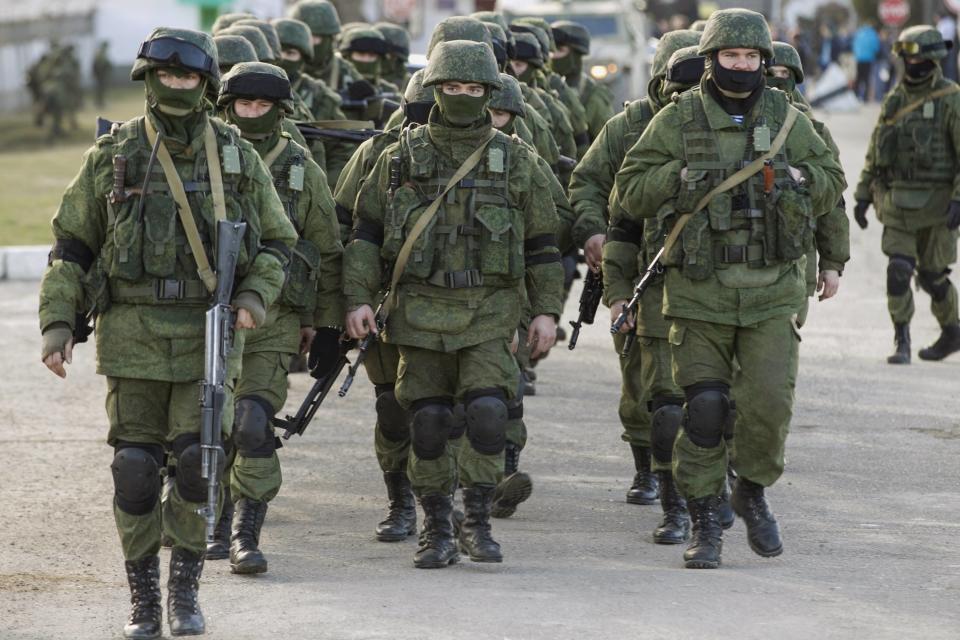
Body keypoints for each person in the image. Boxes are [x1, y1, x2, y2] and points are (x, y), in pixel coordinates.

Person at [38, 28, 296, 636]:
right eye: (167, 75)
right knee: (133, 466)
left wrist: (255, 296)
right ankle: (143, 600)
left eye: (188, 77)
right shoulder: (113, 153)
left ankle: (183, 591)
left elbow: (280, 241)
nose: (177, 86)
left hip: (207, 334)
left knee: (196, 463)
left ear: (206, 84)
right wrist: (57, 322)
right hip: (131, 333)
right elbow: (72, 245)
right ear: (148, 79)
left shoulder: (235, 154)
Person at [611, 9, 845, 569]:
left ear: (765, 62)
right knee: (705, 411)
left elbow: (832, 181)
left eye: (751, 58)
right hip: (699, 290)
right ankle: (703, 522)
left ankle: (753, 492)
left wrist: (797, 181)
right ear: (710, 60)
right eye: (731, 57)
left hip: (772, 290)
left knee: (766, 407)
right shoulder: (677, 119)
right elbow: (629, 190)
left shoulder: (788, 119)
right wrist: (681, 178)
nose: (742, 66)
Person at [342, 40, 563, 568]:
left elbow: (543, 245)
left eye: (471, 89)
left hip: (488, 311)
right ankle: (437, 527)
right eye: (451, 87)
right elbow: (365, 235)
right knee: (429, 424)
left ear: (489, 93)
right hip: (417, 313)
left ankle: (479, 520)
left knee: (488, 415)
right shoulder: (398, 157)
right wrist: (356, 299)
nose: (461, 96)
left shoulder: (516, 160)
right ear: (434, 90)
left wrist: (546, 311)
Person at [209, 61, 343, 573]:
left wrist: (327, 325)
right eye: (243, 104)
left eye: (263, 106)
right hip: (206, 315)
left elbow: (328, 252)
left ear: (280, 110)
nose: (252, 114)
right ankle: (212, 517)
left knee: (251, 422)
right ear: (226, 106)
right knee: (210, 423)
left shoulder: (301, 169)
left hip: (274, 319)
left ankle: (246, 529)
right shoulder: (202, 159)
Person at [570, 29, 701, 517]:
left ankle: (703, 473)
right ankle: (646, 467)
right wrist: (592, 233)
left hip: (706, 275)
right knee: (640, 383)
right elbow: (586, 182)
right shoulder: (629, 126)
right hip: (635, 267)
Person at [854, 25, 960, 364]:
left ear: (931, 58)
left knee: (932, 275)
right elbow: (875, 151)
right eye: (906, 56)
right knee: (898, 270)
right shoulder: (894, 100)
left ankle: (952, 331)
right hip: (898, 202)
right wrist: (862, 195)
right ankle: (901, 339)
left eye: (916, 56)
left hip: (939, 204)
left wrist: (958, 198)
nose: (910, 62)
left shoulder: (951, 99)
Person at [549, 20, 614, 141]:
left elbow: (609, 143)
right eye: (551, 51)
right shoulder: (542, 88)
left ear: (575, 55)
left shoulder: (592, 96)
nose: (553, 56)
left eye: (560, 50)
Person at [852, 21, 881, 102]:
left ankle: (855, 95)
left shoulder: (859, 33)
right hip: (869, 59)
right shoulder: (873, 34)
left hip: (859, 59)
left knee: (858, 78)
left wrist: (857, 54)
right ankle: (865, 98)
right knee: (867, 79)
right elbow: (876, 47)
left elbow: (854, 45)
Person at [93, 41, 111, 107]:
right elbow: (95, 65)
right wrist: (96, 75)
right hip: (99, 76)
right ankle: (98, 103)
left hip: (102, 76)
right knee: (99, 90)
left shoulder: (103, 54)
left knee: (101, 90)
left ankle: (101, 102)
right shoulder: (99, 54)